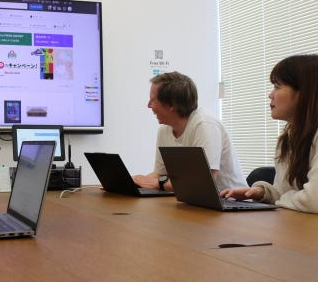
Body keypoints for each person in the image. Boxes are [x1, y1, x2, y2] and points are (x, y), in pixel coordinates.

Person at [221, 55, 318, 213]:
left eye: (277, 87)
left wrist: (282, 199)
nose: (270, 95)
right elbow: (285, 192)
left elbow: (313, 200)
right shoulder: (288, 137)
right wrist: (262, 193)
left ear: (304, 93)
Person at [132, 71, 247, 192]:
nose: (149, 105)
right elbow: (159, 175)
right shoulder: (164, 130)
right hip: (192, 199)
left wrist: (158, 183)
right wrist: (133, 182)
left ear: (171, 105)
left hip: (230, 200)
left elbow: (203, 181)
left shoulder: (205, 125)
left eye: (153, 100)